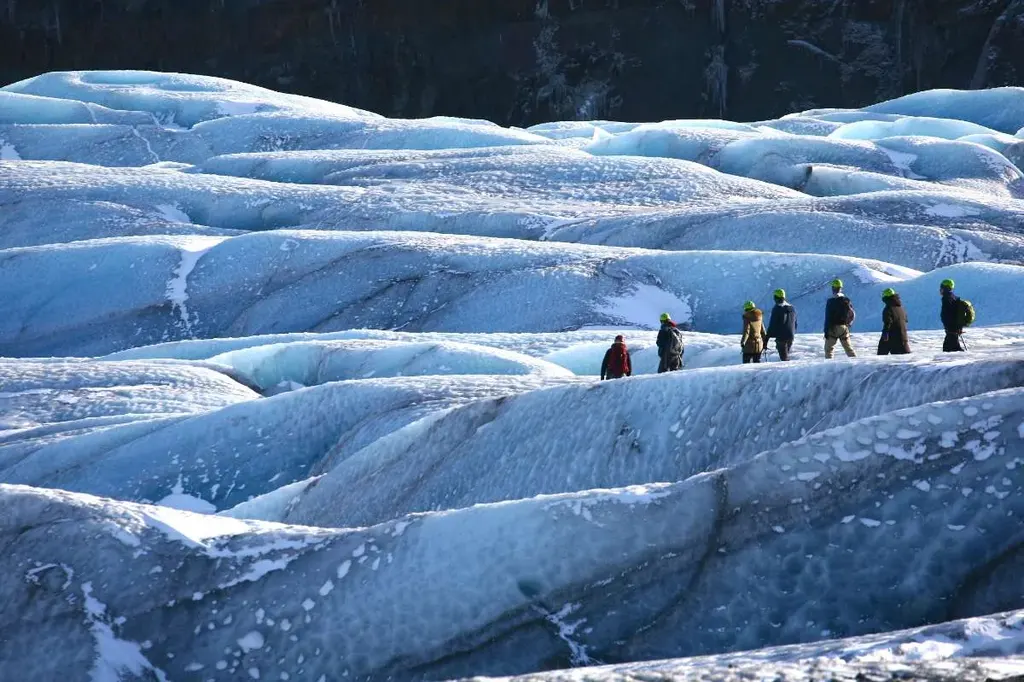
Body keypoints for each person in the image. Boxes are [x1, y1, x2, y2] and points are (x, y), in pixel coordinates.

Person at [823, 278, 857, 359]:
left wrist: (826, 331)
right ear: (841, 288)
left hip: (833, 328)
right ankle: (857, 365)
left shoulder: (830, 301)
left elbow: (828, 317)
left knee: (829, 350)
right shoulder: (847, 300)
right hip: (844, 327)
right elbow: (852, 314)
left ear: (833, 288)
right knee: (849, 349)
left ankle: (829, 367)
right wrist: (848, 325)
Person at [766, 288, 797, 361]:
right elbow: (795, 323)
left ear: (776, 298)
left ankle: (788, 371)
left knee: (784, 359)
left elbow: (772, 325)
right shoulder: (792, 308)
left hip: (781, 337)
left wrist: (766, 338)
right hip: (791, 335)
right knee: (786, 355)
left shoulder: (777, 308)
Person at [877, 288, 911, 355]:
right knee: (904, 360)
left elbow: (888, 322)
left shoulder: (888, 309)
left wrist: (885, 333)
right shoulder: (901, 308)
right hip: (903, 337)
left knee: (881, 357)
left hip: (891, 337)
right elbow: (906, 320)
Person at [939, 279, 965, 352]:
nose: (940, 290)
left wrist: (948, 325)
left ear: (946, 288)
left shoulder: (947, 298)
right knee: (953, 347)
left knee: (949, 349)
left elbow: (948, 314)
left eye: (942, 287)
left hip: (951, 328)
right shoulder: (954, 297)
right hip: (955, 328)